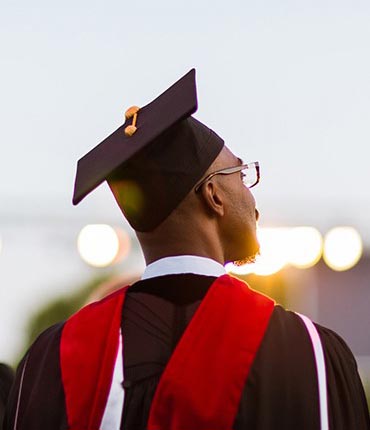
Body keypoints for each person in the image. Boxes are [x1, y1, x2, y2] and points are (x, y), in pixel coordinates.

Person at [4, 70, 370, 430]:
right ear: (214, 196)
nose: (253, 199)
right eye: (241, 175)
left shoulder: (51, 358)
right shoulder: (305, 353)